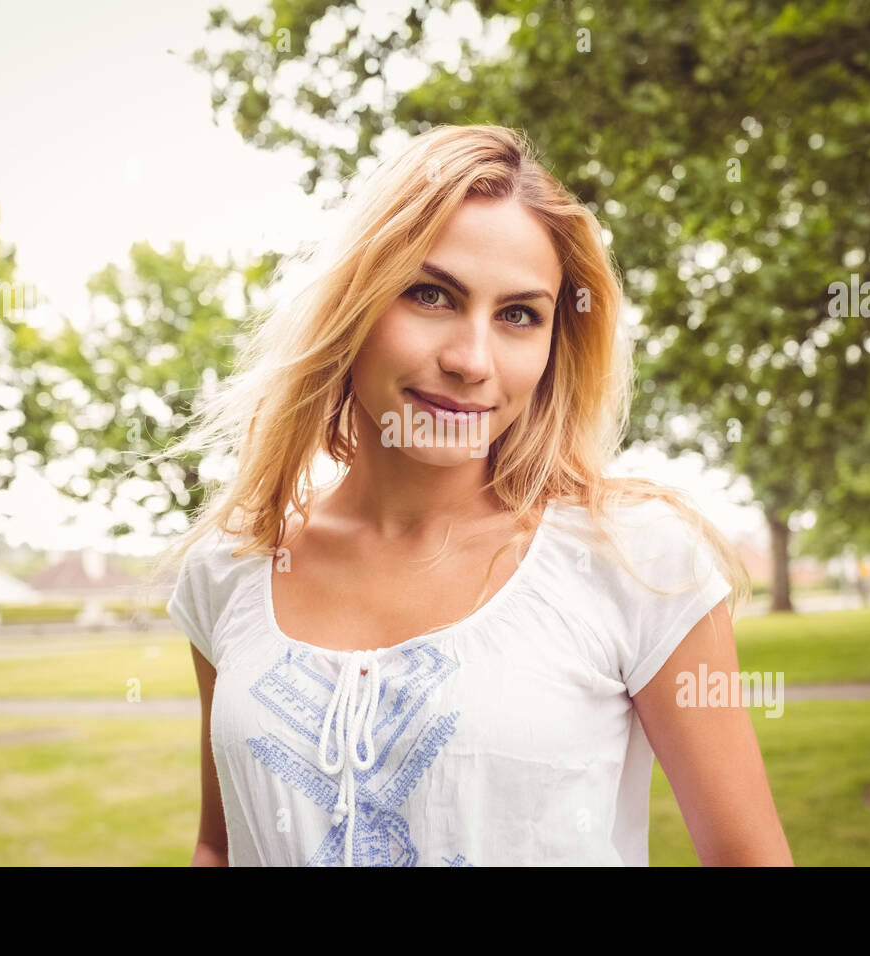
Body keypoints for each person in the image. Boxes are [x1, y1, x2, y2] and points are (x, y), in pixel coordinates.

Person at [155, 124, 792, 867]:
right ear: (352, 305)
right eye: (430, 295)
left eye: (520, 315)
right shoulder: (231, 568)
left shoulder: (636, 560)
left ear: (555, 345)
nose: (471, 360)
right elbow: (220, 845)